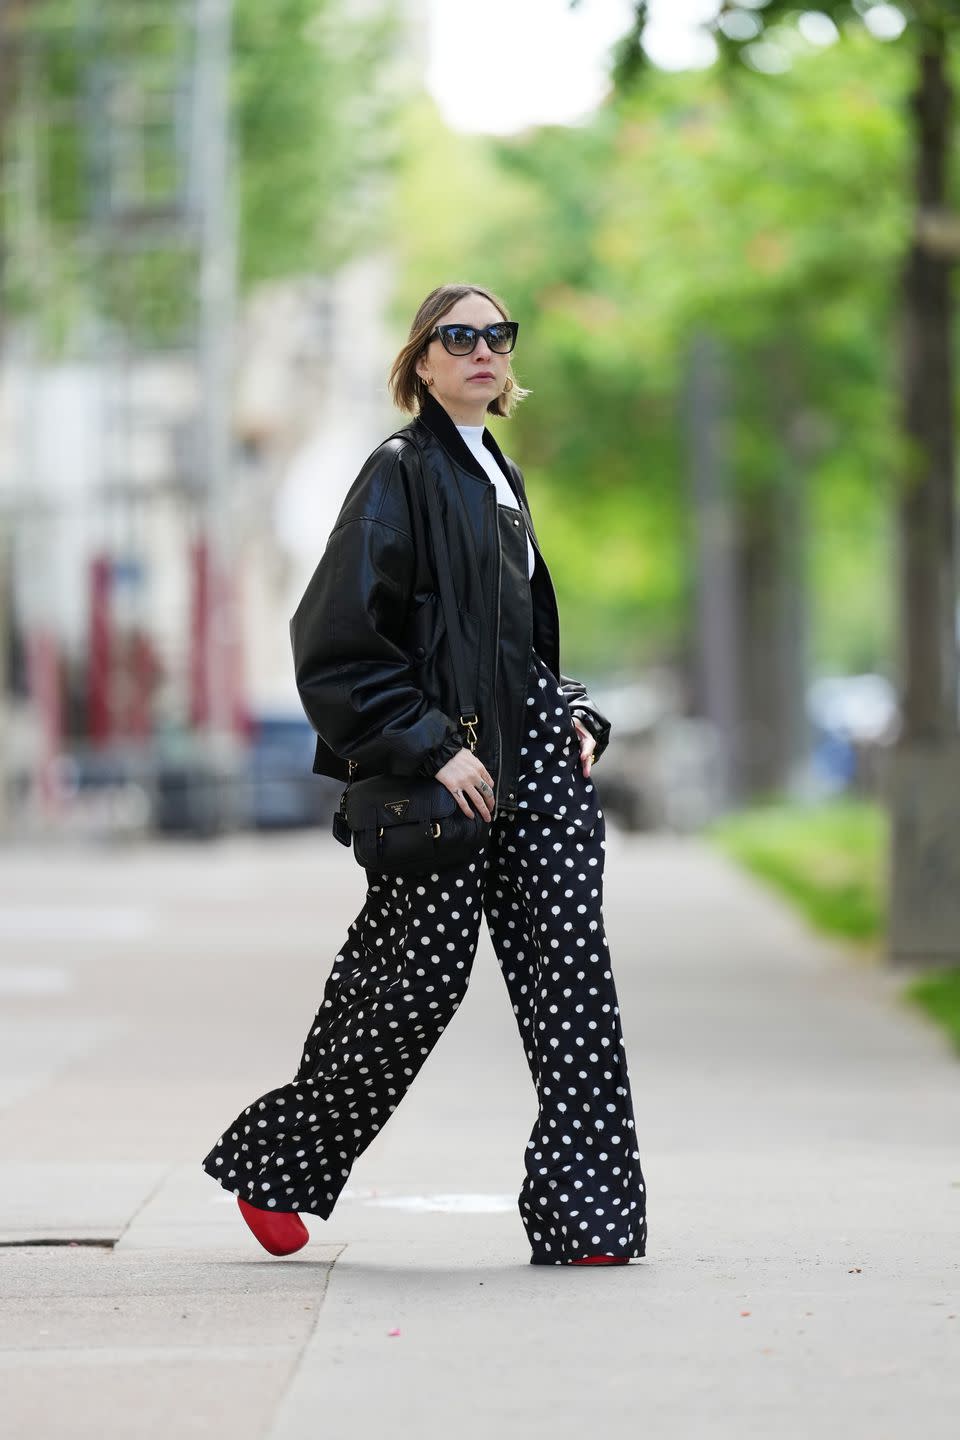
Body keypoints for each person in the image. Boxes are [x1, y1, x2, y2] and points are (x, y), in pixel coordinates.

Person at [201, 282, 648, 1266]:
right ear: (423, 362)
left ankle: (589, 1219)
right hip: (441, 773)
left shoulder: (502, 476)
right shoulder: (398, 474)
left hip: (535, 763)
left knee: (573, 980)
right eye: (460, 336)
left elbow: (513, 640)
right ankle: (282, 1164)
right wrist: (430, 745)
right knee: (412, 986)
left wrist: (571, 710)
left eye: (498, 335)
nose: (483, 350)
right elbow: (334, 641)